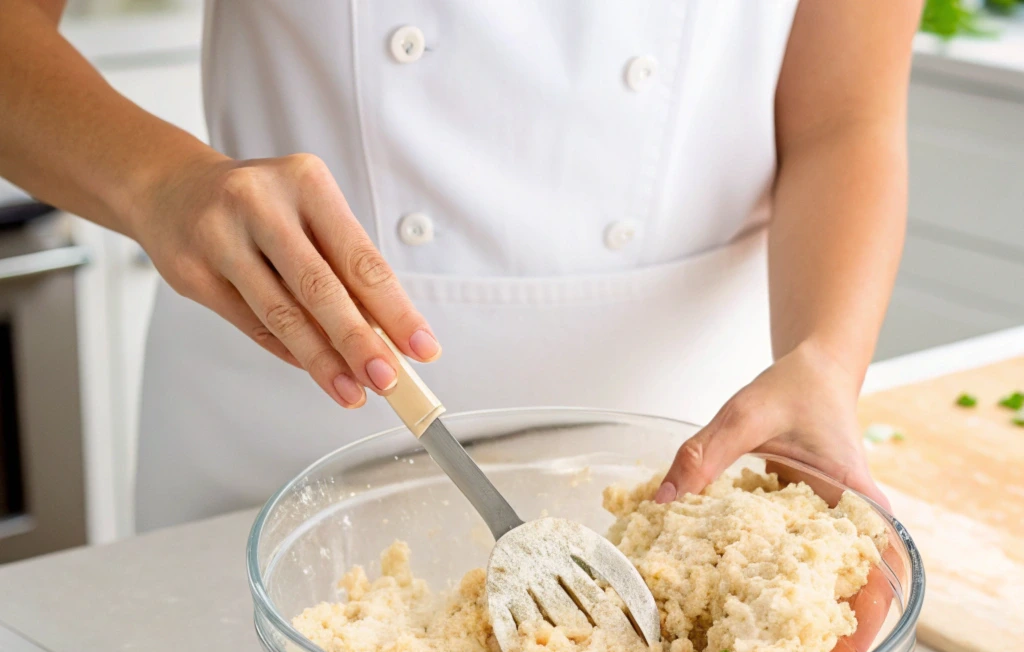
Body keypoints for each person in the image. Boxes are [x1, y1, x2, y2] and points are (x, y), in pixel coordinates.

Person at [0, 0, 921, 533]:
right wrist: (161, 181)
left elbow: (847, 121)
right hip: (288, 430)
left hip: (688, 449)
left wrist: (827, 361)